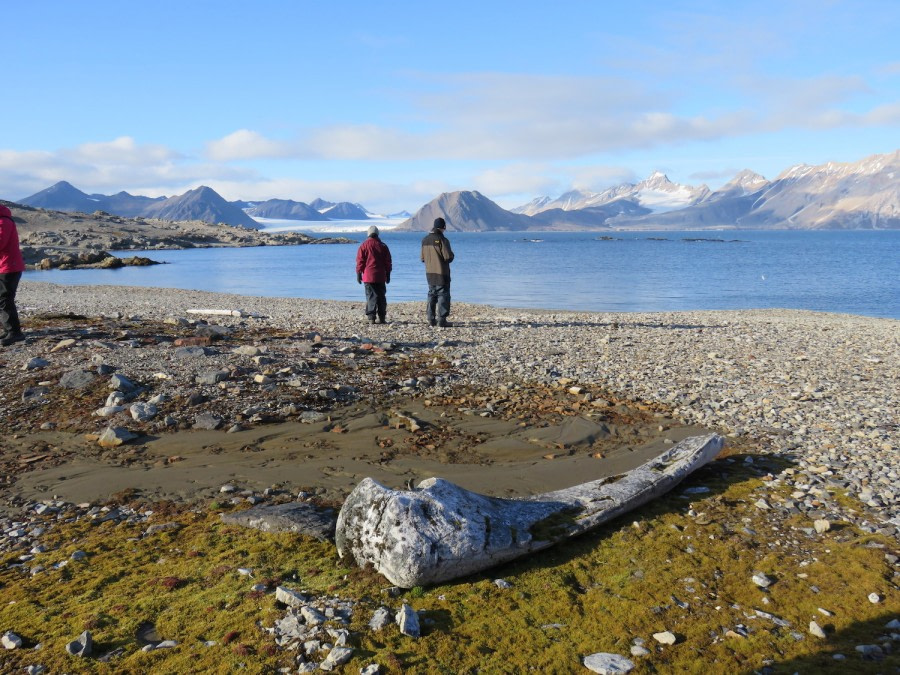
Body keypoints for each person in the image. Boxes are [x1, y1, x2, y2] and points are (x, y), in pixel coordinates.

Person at [421, 216, 454, 327]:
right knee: (443, 295)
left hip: (429, 273)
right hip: (441, 272)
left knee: (432, 294)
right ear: (443, 227)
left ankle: (431, 319)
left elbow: (422, 258)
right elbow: (448, 257)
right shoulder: (442, 240)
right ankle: (442, 320)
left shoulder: (425, 240)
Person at [0, 204, 26, 346]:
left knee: (5, 299)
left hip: (9, 267)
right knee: (3, 299)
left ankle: (15, 333)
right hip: (5, 266)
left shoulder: (4, 222)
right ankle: (8, 329)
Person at [356, 225, 392, 324]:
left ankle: (371, 317)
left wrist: (359, 273)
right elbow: (388, 262)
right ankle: (382, 317)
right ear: (377, 234)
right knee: (381, 296)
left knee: (371, 296)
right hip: (380, 276)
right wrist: (388, 274)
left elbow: (360, 261)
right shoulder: (383, 246)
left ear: (368, 234)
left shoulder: (363, 245)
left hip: (368, 276)